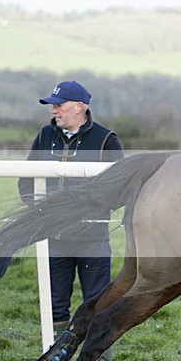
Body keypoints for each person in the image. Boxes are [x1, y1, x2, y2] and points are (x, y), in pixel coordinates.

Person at [19, 80, 124, 342]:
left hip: (92, 240)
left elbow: (121, 189)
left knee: (99, 306)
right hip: (52, 239)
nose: (53, 110)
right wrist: (40, 208)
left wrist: (87, 208)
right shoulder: (45, 135)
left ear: (79, 107)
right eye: (52, 106)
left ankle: (95, 358)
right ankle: (54, 357)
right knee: (55, 307)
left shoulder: (106, 140)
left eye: (59, 105)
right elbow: (25, 180)